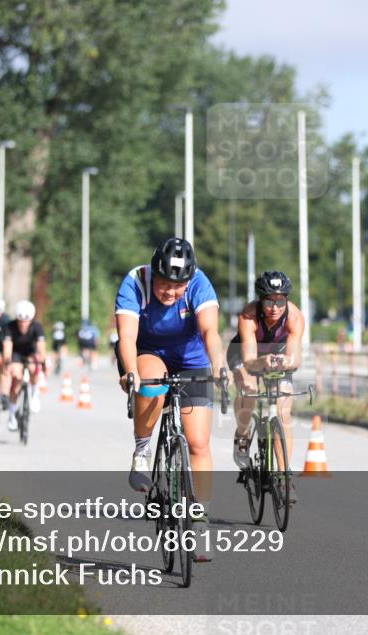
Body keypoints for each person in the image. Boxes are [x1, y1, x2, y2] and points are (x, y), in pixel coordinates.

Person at [115, 237, 224, 561]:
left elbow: (210, 332)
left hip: (191, 359)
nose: (171, 292)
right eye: (164, 284)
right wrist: (131, 372)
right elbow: (127, 336)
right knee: (152, 382)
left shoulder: (200, 283)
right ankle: (142, 449)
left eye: (178, 286)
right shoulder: (136, 281)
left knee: (199, 442)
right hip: (148, 352)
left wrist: (219, 366)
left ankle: (200, 521)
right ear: (154, 273)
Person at [227, 271, 304, 503]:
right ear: (260, 300)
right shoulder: (249, 315)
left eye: (280, 301)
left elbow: (295, 360)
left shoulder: (295, 317)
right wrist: (263, 361)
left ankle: (284, 477)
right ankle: (242, 435)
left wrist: (285, 362)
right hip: (245, 354)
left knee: (283, 413)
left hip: (277, 355)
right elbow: (250, 361)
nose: (275, 307)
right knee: (249, 390)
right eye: (269, 301)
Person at [2, 300, 46, 431]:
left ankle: (35, 392)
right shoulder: (10, 326)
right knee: (16, 380)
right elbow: (7, 346)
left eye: (26, 321)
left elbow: (41, 347)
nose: (22, 324)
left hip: (31, 352)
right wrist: (7, 361)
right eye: (20, 321)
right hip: (16, 353)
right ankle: (12, 415)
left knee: (33, 368)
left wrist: (42, 360)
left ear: (31, 320)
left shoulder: (37, 326)